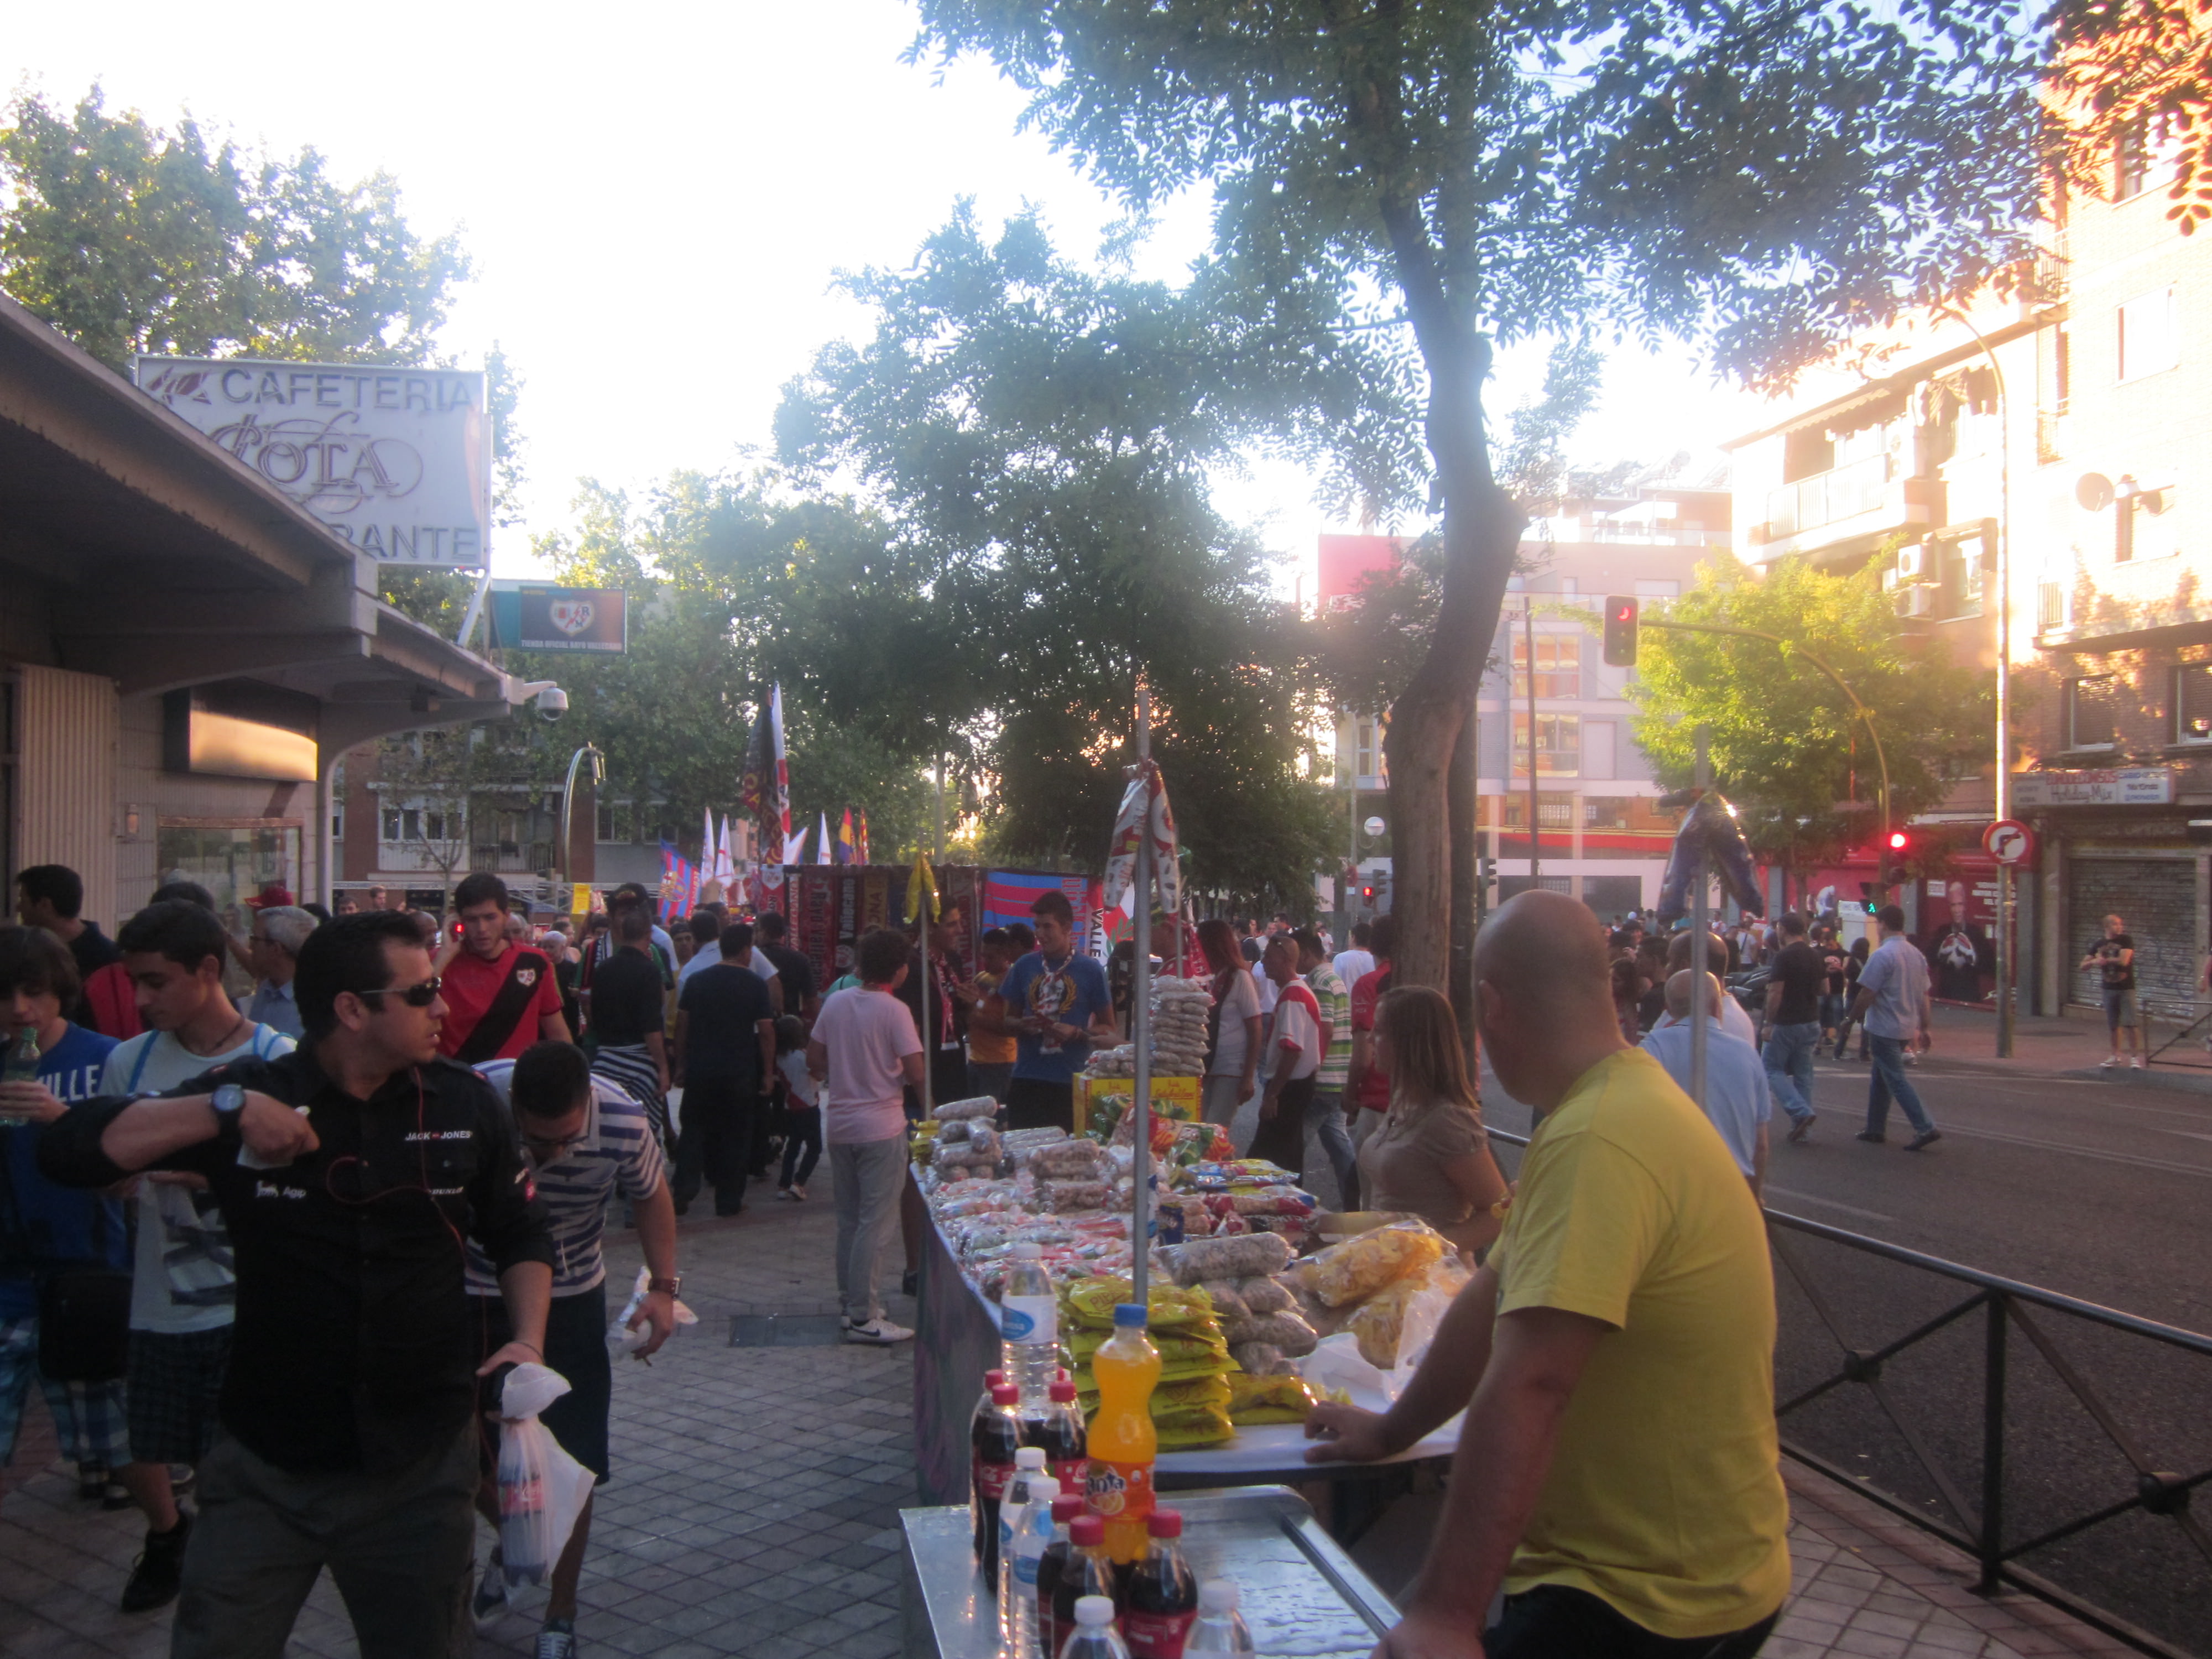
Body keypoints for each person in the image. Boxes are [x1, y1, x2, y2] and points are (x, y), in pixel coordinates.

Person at [37, 909, 554, 1659]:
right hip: (267, 1462)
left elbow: (519, 1230)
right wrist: (226, 1109)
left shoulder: (466, 1104)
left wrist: (528, 1341)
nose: (443, 1008)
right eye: (420, 994)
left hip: (417, 1464)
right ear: (352, 1009)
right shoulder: (256, 1092)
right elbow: (70, 1152)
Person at [1305, 890, 1790, 1659]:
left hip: (1650, 1597)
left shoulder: (1601, 1135)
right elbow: (1490, 1305)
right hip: (1639, 1575)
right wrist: (1392, 1431)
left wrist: (1444, 1615)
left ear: (1491, 1005)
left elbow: (1534, 1380)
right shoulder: (1604, 1109)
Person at [101, 900, 297, 1611]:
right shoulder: (130, 1061)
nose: (142, 998)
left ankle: (229, 1592)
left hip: (250, 1307)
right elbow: (107, 1165)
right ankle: (175, 1542)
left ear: (208, 971)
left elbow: (300, 1176)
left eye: (155, 982)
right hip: (161, 1304)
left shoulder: (277, 1059)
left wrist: (208, 1167)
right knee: (151, 1450)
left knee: (234, 1475)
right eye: (136, 984)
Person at [466, 1042, 679, 1657]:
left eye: (562, 1142)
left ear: (586, 1106)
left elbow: (651, 1194)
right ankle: (519, 1542)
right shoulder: (478, 1098)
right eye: (535, 1142)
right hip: (475, 1289)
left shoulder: (622, 1119)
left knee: (574, 1463)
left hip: (571, 1296)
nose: (548, 1157)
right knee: (460, 1452)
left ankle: (560, 1614)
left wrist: (663, 1289)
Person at [0, 928, 132, 1514]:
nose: (20, 1010)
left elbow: (129, 1165)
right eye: (5, 996)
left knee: (98, 1410)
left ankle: (115, 1478)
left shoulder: (103, 1058)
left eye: (33, 992)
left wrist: (63, 1120)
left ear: (59, 989)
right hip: (10, 1270)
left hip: (86, 1266)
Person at [807, 928, 924, 1344]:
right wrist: (930, 1112)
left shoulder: (836, 1002)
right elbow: (916, 1071)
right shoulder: (895, 1011)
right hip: (882, 1127)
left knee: (849, 1222)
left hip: (839, 1126)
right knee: (876, 1225)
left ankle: (851, 1303)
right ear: (900, 969)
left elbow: (815, 1058)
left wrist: (842, 1073)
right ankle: (864, 1316)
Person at [1357, 986, 1509, 1253]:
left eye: (1379, 1032)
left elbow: (1498, 1213)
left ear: (1409, 1041)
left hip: (1434, 1283)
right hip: (1386, 1271)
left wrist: (1427, 1249)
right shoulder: (1404, 1100)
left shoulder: (1447, 1120)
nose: (1370, 1040)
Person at [980, 892, 1113, 1132]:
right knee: (1024, 1160)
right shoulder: (1024, 966)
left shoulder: (1090, 970)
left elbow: (1109, 1028)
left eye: (1047, 927)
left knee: (1068, 1159)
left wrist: (1076, 1032)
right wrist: (1023, 1025)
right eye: (1037, 927)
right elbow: (1008, 1021)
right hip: (1027, 1079)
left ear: (1067, 928)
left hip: (1071, 1079)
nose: (1040, 934)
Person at [671, 922, 776, 1217]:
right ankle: (729, 1200)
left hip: (701, 1069)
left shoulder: (697, 981)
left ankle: (683, 1189)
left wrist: (681, 1064)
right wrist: (768, 1073)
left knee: (693, 1129)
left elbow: (682, 1025)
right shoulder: (754, 984)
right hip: (738, 1071)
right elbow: (766, 1032)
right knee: (736, 1135)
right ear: (746, 951)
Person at [1642, 971, 1772, 1198]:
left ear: (1669, 1009)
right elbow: (1760, 1144)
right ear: (1716, 1006)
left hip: (1676, 1191)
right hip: (1734, 1189)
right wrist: (1756, 1196)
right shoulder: (1747, 1054)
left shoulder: (1652, 1048)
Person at [435, 874, 570, 1065]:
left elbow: (557, 1032)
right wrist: (441, 960)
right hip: (456, 1085)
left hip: (515, 1085)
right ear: (458, 920)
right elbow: (411, 1022)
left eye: (490, 917)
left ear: (506, 916)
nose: (482, 928)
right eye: (472, 919)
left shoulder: (534, 961)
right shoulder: (438, 962)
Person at [1851, 904, 1941, 1150]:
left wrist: (1851, 1019)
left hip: (1884, 1027)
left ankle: (1925, 1126)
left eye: (1877, 924)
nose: (1877, 928)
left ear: (1883, 924)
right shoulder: (1916, 955)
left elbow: (1867, 992)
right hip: (1906, 1026)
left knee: (1895, 1079)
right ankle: (1875, 1128)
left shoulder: (1882, 955)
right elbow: (1924, 996)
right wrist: (1925, 1028)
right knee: (1881, 1078)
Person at [589, 907, 674, 1149]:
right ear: (648, 936)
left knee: (608, 1131)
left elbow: (593, 1014)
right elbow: (651, 1026)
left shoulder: (603, 969)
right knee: (643, 1133)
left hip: (605, 1060)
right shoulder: (648, 971)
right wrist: (663, 1068)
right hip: (640, 1062)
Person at [1294, 928, 1359, 1207]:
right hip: (1338, 1077)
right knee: (1339, 1144)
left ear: (1307, 954)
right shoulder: (1333, 978)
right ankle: (1355, 1201)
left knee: (1294, 1146)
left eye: (1295, 955)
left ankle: (1291, 1204)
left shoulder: (1319, 980)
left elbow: (1326, 1029)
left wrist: (1310, 1068)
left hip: (1323, 1079)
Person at [17, 862, 123, 1026]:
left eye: (23, 900)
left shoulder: (109, 962)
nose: (18, 908)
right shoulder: (28, 954)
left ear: (45, 905)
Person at [1250, 936, 1322, 1173]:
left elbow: (1292, 1049)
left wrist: (1273, 1095)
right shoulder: (1295, 992)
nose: (1264, 961)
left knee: (1269, 1159)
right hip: (1295, 1084)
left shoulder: (1294, 995)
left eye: (1269, 956)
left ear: (1285, 960)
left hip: (1291, 1087)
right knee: (1287, 1155)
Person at [1757, 911, 1824, 1145]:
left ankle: (1799, 1112)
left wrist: (1768, 1023)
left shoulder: (1784, 957)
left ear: (1783, 929)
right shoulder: (1815, 955)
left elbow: (1775, 992)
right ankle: (1803, 1130)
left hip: (1787, 1021)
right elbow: (1825, 989)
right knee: (1804, 1074)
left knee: (1770, 1068)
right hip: (1811, 1020)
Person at [1196, 917, 1264, 1134]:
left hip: (1231, 1066)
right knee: (1200, 1129)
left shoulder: (1240, 978)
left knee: (1214, 1132)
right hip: (1206, 1065)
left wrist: (1248, 1077)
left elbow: (1255, 1028)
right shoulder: (1209, 978)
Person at [1650, 928, 1759, 1046]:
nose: (1666, 969)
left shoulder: (1725, 1022)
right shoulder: (1692, 1010)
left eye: (1670, 961)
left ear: (1685, 966)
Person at [1345, 913, 1396, 1154]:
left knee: (1369, 1188)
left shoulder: (1369, 984)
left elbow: (1363, 1057)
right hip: (1422, 1104)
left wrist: (1349, 1092)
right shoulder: (1427, 977)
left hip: (1377, 1101)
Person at [676, 910, 781, 1017]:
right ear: (717, 929)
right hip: (751, 1029)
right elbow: (773, 983)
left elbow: (684, 1015)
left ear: (693, 936)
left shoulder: (689, 970)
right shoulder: (747, 950)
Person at [962, 927, 1019, 1102]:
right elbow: (971, 1009)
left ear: (1005, 954)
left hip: (999, 1064)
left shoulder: (1011, 981)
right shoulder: (981, 977)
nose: (985, 961)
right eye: (983, 956)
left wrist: (974, 1016)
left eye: (991, 957)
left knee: (991, 1120)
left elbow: (1009, 1027)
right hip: (975, 1060)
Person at [243, 904, 315, 1040]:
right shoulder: (266, 989)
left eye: (255, 939)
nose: (250, 946)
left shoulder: (312, 1004)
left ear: (276, 949)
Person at [2081, 913, 2142, 1070]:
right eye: (2116, 924)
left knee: (2131, 1023)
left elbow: (2124, 960)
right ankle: (2115, 1055)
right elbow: (2083, 965)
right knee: (2114, 1025)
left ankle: (2135, 1057)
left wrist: (2104, 960)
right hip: (2108, 988)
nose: (2120, 927)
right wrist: (2094, 960)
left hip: (2126, 987)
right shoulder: (2099, 944)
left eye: (2121, 924)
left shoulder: (2126, 940)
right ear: (2107, 927)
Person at [773, 1016, 823, 1201]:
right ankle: (799, 1182)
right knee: (814, 1147)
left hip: (790, 1106)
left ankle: (783, 1185)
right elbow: (818, 1075)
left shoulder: (780, 1056)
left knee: (792, 1146)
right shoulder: (803, 1056)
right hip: (808, 1105)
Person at [755, 911, 820, 1024]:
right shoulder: (800, 959)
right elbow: (811, 999)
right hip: (791, 1023)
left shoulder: (755, 958)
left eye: (758, 930)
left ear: (764, 932)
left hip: (761, 1024)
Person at [1332, 920, 1376, 995]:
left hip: (1346, 1004)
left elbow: (1334, 984)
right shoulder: (1375, 959)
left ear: (1353, 938)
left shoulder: (1340, 958)